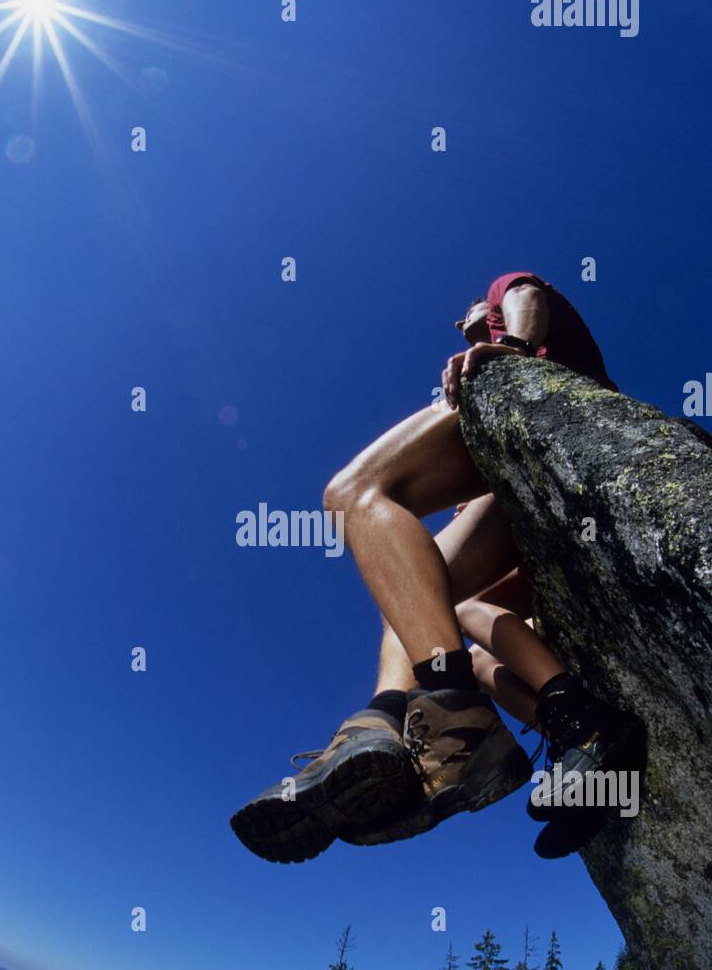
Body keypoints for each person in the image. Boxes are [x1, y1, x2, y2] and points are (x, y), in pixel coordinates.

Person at [231, 272, 638, 864]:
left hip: (553, 424)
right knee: (417, 599)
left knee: (353, 493)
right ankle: (547, 727)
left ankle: (436, 714)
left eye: (469, 312)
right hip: (521, 499)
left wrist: (515, 348)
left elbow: (525, 293)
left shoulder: (506, 320)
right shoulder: (480, 358)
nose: (463, 322)